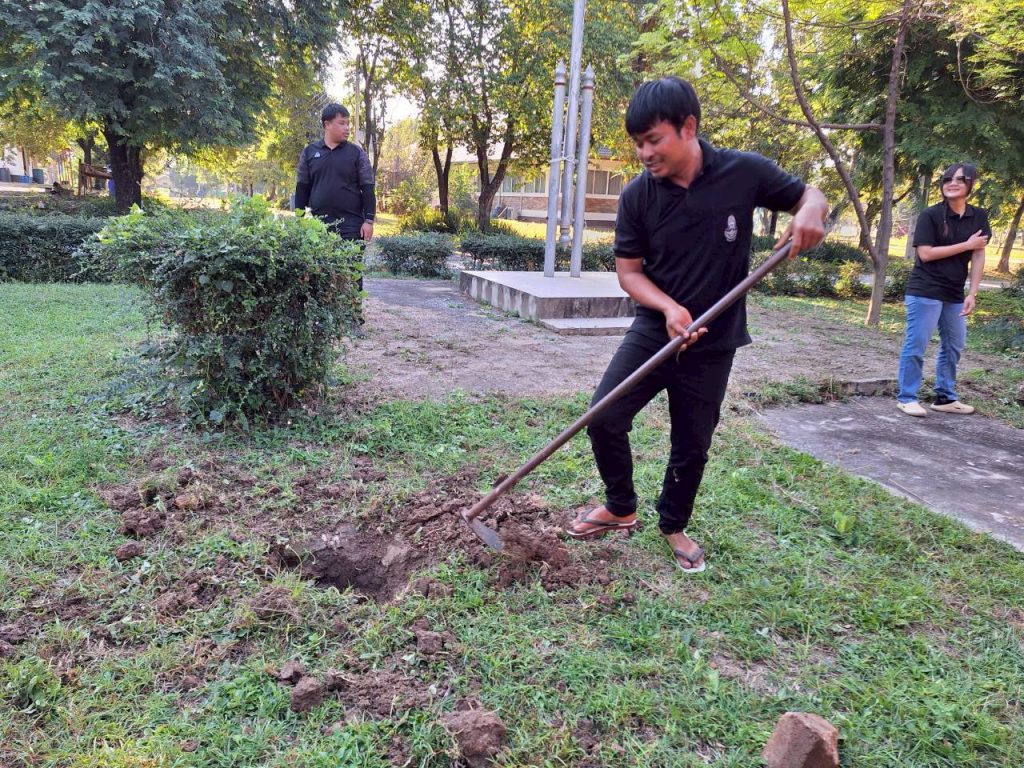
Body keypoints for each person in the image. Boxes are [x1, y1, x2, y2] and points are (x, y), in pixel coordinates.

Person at [564, 76, 828, 573]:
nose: (644, 153)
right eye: (638, 143)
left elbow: (808, 196)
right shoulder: (638, 196)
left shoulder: (743, 172)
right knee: (604, 416)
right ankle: (620, 506)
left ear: (688, 127)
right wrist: (668, 308)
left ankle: (673, 525)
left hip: (715, 340)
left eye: (653, 140)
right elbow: (629, 273)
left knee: (692, 442)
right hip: (655, 330)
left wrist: (812, 210)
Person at [895, 164, 989, 417]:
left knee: (954, 345)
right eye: (947, 179)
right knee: (917, 344)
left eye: (960, 179)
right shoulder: (931, 215)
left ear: (971, 184)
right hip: (925, 289)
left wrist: (973, 293)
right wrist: (966, 245)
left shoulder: (979, 216)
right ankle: (907, 397)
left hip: (954, 292)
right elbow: (925, 254)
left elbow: (978, 254)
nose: (952, 183)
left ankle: (945, 397)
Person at [295, 103, 376, 316]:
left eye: (348, 123)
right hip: (319, 225)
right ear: (327, 124)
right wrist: (299, 221)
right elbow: (302, 187)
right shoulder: (310, 152)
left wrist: (368, 220)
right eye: (342, 123)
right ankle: (325, 317)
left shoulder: (356, 153)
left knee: (352, 272)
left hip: (352, 225)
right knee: (320, 271)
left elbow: (368, 187)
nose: (347, 128)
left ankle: (353, 316)